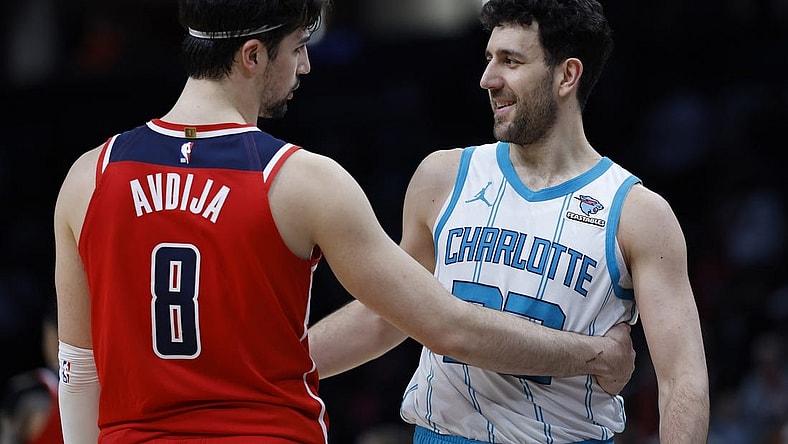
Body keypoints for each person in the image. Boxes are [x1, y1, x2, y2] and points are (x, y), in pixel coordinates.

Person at [53, 0, 636, 443]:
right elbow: (446, 327)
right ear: (253, 56)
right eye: (298, 46)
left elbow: (78, 369)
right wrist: (592, 356)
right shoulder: (300, 179)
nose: (306, 64)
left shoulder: (89, 176)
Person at [308, 0, 710, 443]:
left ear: (566, 76)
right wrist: (274, 367)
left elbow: (682, 381)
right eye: (488, 59)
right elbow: (389, 315)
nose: (488, 79)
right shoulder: (442, 177)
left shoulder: (637, 213)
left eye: (510, 61)